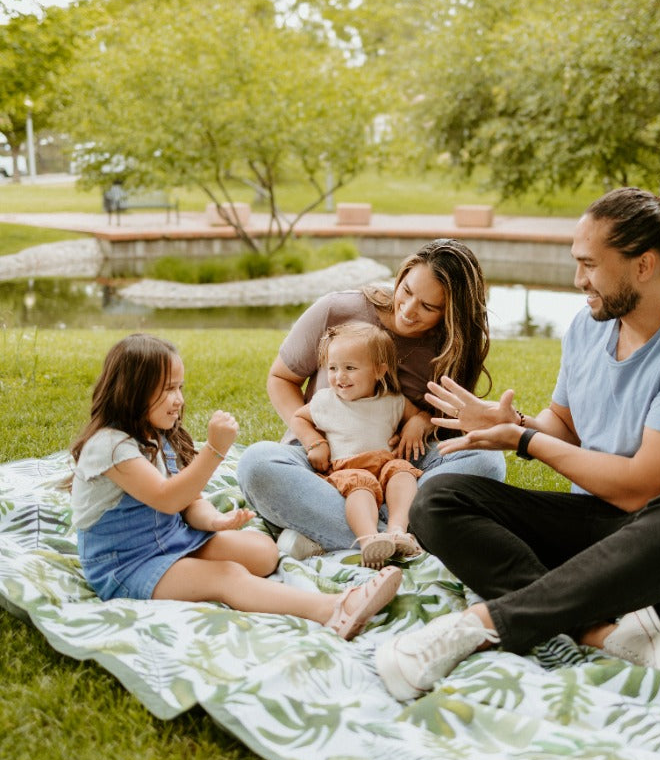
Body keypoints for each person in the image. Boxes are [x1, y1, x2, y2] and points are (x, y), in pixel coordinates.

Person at [376, 181, 660, 699]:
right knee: (439, 499)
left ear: (643, 265)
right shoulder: (590, 326)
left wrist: (524, 443)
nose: (578, 279)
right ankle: (594, 630)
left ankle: (479, 625)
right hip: (592, 532)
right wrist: (512, 424)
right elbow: (567, 427)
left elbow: (640, 490)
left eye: (590, 264)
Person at [71, 333, 401, 639]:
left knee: (263, 553)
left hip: (171, 539)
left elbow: (189, 502)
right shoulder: (110, 447)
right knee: (228, 575)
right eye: (168, 389)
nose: (179, 399)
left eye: (180, 387)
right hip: (127, 564)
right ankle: (333, 609)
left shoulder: (155, 436)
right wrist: (214, 450)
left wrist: (215, 521)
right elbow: (166, 499)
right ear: (134, 391)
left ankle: (230, 577)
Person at [238, 239, 506, 557]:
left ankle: (349, 531)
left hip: (399, 463)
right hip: (325, 462)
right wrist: (314, 441)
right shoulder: (337, 309)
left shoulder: (452, 345)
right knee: (256, 465)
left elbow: (448, 424)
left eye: (428, 307)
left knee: (488, 461)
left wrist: (420, 422)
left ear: (451, 311)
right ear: (401, 275)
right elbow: (281, 378)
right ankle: (401, 531)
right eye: (406, 291)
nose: (408, 310)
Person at [290, 321, 424, 568]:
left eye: (350, 368)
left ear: (379, 370)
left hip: (385, 463)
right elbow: (298, 417)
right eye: (332, 368)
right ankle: (369, 539)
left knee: (402, 472)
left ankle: (398, 530)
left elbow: (420, 416)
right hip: (348, 468)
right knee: (361, 487)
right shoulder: (326, 402)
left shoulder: (392, 401)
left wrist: (417, 424)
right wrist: (315, 442)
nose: (339, 377)